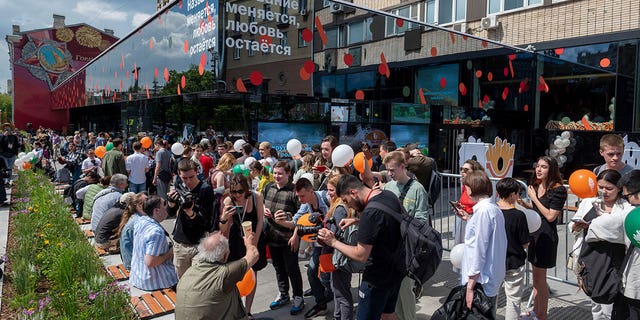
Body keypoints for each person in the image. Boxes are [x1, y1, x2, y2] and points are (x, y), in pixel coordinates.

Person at [317, 174, 404, 320]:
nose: (348, 205)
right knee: (388, 315)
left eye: (346, 201)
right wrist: (357, 221)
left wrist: (333, 242)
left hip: (376, 278)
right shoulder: (388, 195)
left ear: (353, 192)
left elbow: (360, 255)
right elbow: (383, 223)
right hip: (397, 271)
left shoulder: (370, 213)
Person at [569, 169, 632, 319]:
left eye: (609, 188)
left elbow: (621, 230)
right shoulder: (588, 202)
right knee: (595, 302)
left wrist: (599, 224)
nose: (604, 191)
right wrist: (577, 226)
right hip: (590, 257)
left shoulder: (625, 207)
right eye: (601, 187)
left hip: (614, 260)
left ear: (619, 188)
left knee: (610, 302)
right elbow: (573, 226)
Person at [382, 150, 429, 320]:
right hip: (389, 246)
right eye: (387, 170)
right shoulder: (388, 187)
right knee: (390, 289)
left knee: (404, 290)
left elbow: (422, 219)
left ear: (403, 167)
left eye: (392, 170)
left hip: (406, 248)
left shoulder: (418, 189)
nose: (389, 173)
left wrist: (404, 224)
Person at [519, 156, 567, 320]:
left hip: (546, 236)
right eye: (537, 166)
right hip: (535, 235)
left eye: (544, 167)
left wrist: (532, 198)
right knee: (536, 279)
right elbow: (537, 210)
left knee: (541, 280)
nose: (539, 169)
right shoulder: (537, 186)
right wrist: (524, 203)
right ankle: (536, 311)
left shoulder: (558, 189)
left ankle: (542, 315)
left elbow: (550, 215)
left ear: (551, 169)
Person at [455, 171, 507, 318]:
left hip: (481, 279)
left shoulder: (484, 211)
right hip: (488, 276)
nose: (466, 191)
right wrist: (469, 219)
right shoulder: (491, 209)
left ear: (473, 187)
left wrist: (470, 285)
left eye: (467, 187)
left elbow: (480, 249)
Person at [175, 232, 260, 320]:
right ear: (225, 255)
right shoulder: (225, 273)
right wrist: (249, 243)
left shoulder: (188, 272)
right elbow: (253, 254)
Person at [219, 173, 266, 319]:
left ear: (246, 189)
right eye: (234, 191)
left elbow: (260, 221)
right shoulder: (229, 200)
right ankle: (237, 310)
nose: (237, 195)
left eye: (240, 191)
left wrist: (254, 244)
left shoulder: (256, 196)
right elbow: (222, 229)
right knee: (236, 276)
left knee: (252, 274)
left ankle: (248, 311)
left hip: (255, 237)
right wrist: (224, 218)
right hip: (237, 241)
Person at [261, 161, 304, 315]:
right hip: (272, 237)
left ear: (288, 174)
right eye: (275, 173)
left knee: (292, 268)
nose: (277, 176)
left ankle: (298, 297)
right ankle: (283, 294)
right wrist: (265, 209)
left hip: (288, 238)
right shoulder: (268, 187)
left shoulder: (294, 191)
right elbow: (263, 204)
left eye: (280, 173)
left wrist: (295, 235)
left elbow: (302, 216)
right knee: (278, 268)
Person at [289, 177, 332, 319]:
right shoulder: (306, 203)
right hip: (318, 244)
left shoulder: (327, 198)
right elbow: (297, 219)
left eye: (302, 196)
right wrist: (294, 233)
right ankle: (321, 301)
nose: (300, 199)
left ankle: (327, 294)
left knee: (325, 275)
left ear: (311, 191)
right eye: (298, 196)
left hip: (333, 243)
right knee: (313, 271)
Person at [168, 159, 218, 278]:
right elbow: (170, 213)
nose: (188, 181)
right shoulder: (179, 187)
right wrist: (171, 203)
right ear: (179, 174)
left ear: (197, 172)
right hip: (181, 243)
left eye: (191, 177)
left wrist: (191, 212)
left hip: (198, 243)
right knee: (183, 281)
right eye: (185, 178)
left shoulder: (205, 189)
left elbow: (207, 222)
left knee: (197, 280)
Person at [496, 178, 530, 320]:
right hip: (514, 261)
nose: (518, 197)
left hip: (494, 260)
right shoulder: (518, 216)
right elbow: (525, 243)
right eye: (518, 194)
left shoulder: (492, 211)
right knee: (514, 300)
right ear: (512, 195)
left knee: (492, 296)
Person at [324, 174, 356, 320]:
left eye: (331, 190)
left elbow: (336, 233)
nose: (328, 193)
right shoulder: (339, 206)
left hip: (339, 255)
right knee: (338, 291)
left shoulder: (339, 209)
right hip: (340, 254)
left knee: (342, 293)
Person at [130, 196, 178, 291]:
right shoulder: (156, 232)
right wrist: (170, 253)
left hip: (137, 276)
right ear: (156, 210)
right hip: (152, 281)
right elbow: (150, 262)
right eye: (164, 205)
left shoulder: (140, 221)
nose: (167, 207)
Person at [612, 170, 640, 319]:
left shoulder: (630, 213)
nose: (626, 200)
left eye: (627, 196)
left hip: (635, 284)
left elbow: (601, 228)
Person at [453, 159, 485, 247]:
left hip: (474, 220)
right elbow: (465, 200)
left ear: (475, 172)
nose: (462, 172)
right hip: (464, 219)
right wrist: (460, 206)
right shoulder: (465, 185)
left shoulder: (479, 186)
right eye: (461, 169)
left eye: (466, 170)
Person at [117, 192, 148, 270]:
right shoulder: (139, 222)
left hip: (130, 260)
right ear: (139, 206)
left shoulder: (135, 217)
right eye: (147, 201)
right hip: (133, 265)